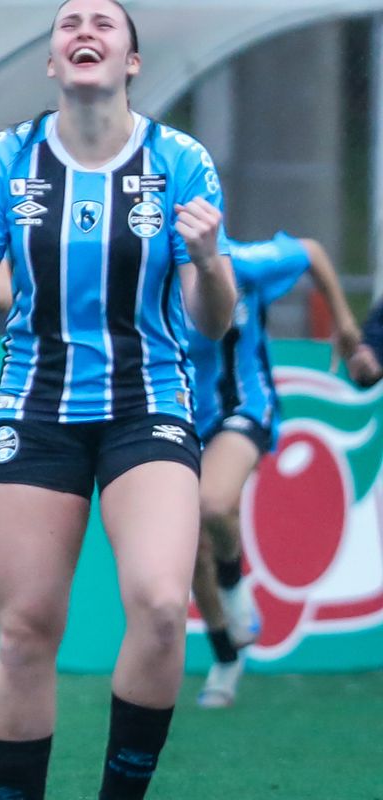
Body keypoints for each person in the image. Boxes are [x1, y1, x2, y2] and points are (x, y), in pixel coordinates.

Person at [0, 2, 236, 797]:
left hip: (149, 401)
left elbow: (211, 321)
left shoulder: (180, 159)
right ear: (52, 62)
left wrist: (209, 259)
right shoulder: (5, 159)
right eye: (67, 23)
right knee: (26, 635)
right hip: (37, 406)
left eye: (103, 20)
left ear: (130, 59)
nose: (83, 29)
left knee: (162, 606)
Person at [188, 233, 359, 708]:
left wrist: (343, 322)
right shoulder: (141, 276)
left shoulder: (240, 263)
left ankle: (234, 584)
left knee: (213, 502)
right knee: (188, 551)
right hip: (174, 416)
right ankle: (225, 656)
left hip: (245, 405)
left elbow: (312, 250)